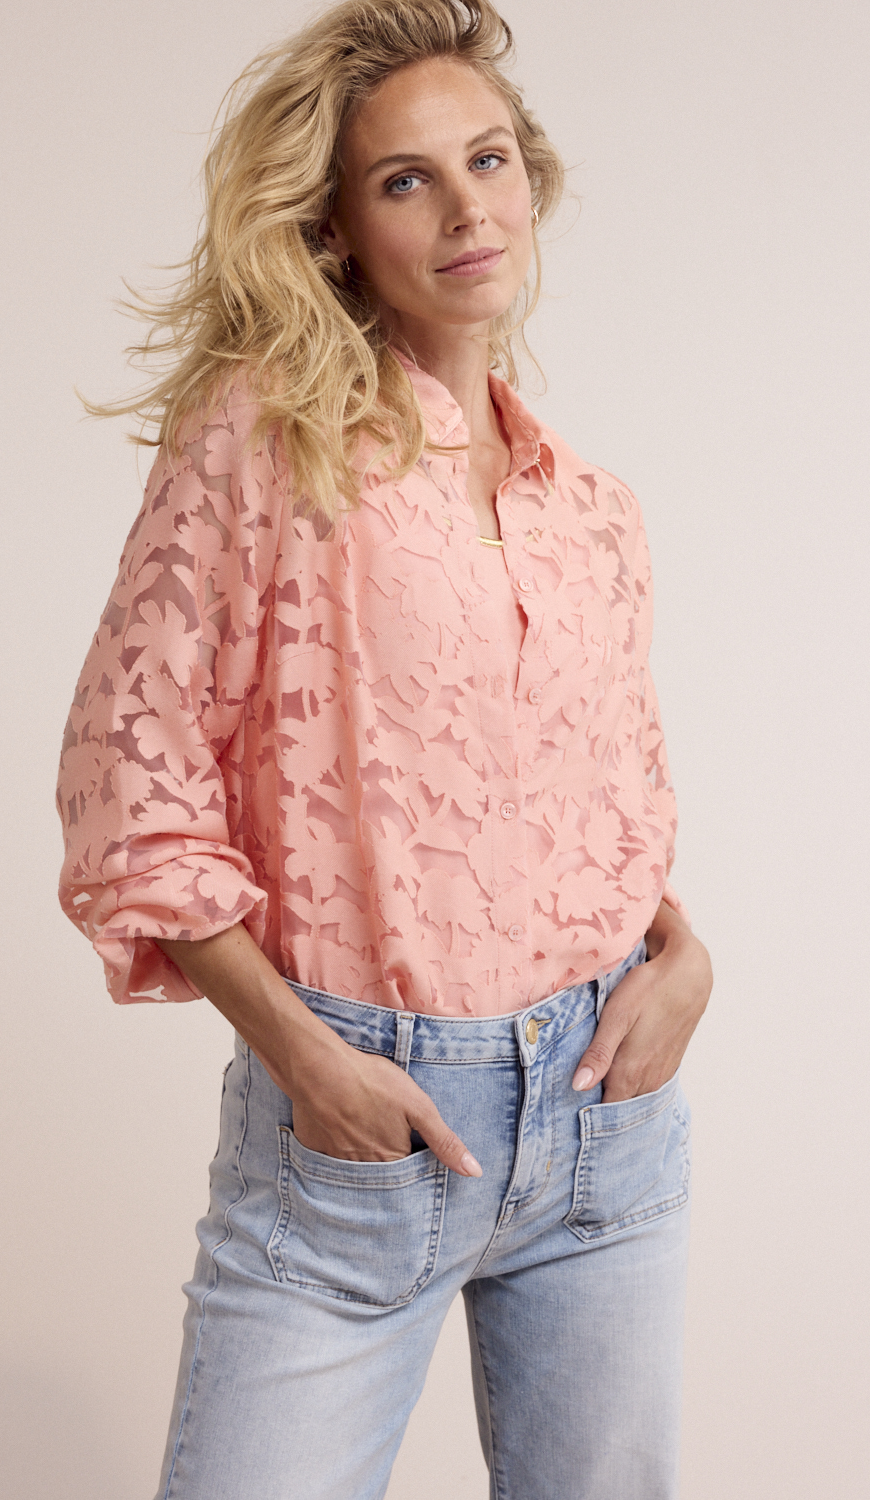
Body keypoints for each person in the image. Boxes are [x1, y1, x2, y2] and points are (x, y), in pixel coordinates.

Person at [56, 2, 712, 1496]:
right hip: (360, 1137)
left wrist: (687, 959)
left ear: (530, 181)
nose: (467, 208)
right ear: (339, 231)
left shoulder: (593, 509)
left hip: (611, 1129)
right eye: (406, 179)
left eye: (489, 159)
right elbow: (128, 776)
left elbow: (598, 803)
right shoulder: (262, 442)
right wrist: (304, 1056)